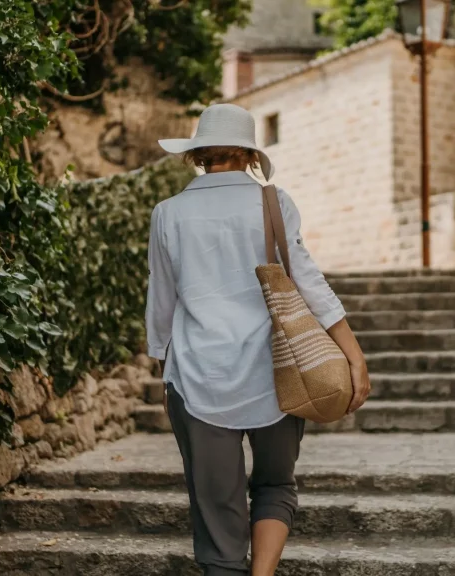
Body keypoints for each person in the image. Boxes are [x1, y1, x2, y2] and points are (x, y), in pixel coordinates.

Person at [146, 103, 371, 576]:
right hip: (278, 371)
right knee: (274, 484)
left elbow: (161, 303)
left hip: (197, 376)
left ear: (198, 155)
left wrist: (160, 361)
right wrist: (353, 356)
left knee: (216, 509)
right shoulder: (273, 203)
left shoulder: (167, 214)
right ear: (250, 154)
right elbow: (308, 282)